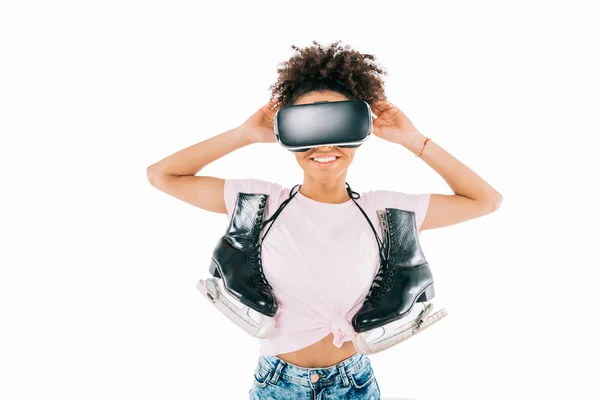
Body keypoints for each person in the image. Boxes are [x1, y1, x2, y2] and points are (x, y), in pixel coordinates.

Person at [146, 40, 503, 399]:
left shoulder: (387, 212)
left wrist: (414, 141)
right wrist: (243, 135)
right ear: (288, 133)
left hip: (354, 383)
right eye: (310, 127)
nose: (325, 146)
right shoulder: (260, 202)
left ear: (359, 130)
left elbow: (485, 200)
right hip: (277, 385)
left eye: (337, 124)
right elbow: (162, 175)